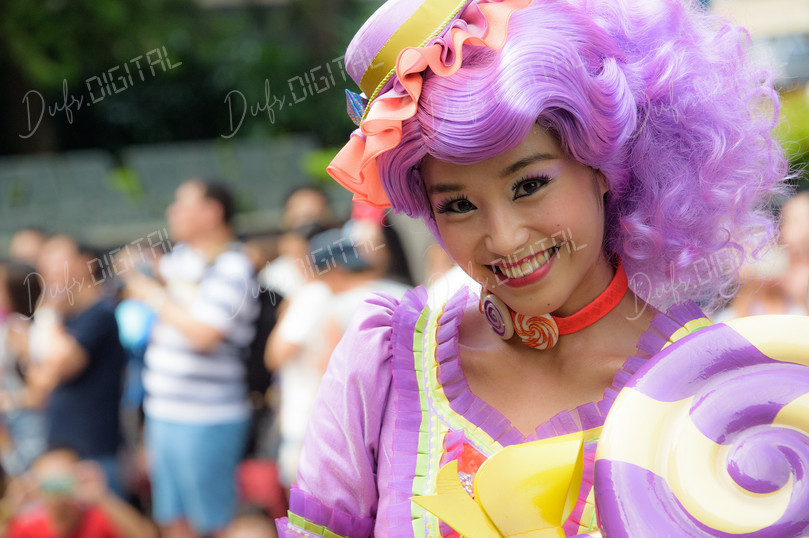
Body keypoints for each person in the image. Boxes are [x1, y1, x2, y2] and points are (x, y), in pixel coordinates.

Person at [275, 0, 787, 536]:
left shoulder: (715, 388)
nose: (504, 237)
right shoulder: (384, 360)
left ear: (604, 165)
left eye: (530, 185)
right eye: (458, 205)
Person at [123, 179, 259, 538]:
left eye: (181, 204)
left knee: (214, 522)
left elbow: (203, 334)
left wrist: (151, 292)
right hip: (164, 414)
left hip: (208, 418)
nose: (172, 212)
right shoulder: (180, 261)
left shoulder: (234, 267)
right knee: (172, 519)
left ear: (211, 213)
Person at [13, 236, 126, 496]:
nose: (49, 271)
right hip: (59, 449)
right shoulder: (66, 320)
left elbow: (62, 365)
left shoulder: (100, 314)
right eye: (44, 263)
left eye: (57, 260)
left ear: (86, 263)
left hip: (95, 451)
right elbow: (38, 386)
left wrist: (49, 312)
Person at [2, 448, 156, 538]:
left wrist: (102, 496)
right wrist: (12, 506)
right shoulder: (26, 526)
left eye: (63, 482)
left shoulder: (96, 519)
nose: (58, 494)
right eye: (50, 484)